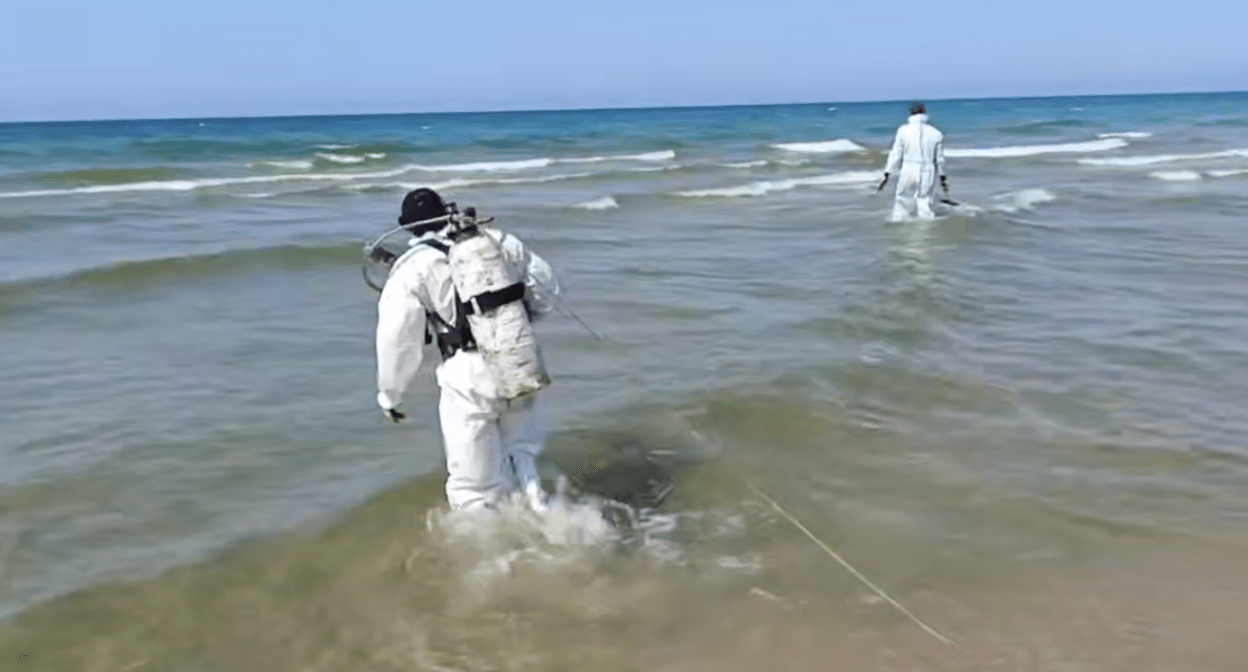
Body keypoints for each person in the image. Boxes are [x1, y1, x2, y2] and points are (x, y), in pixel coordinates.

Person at [374, 187, 560, 515]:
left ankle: (492, 558)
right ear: (448, 212)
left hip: (467, 376)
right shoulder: (498, 241)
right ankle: (547, 515)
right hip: (517, 354)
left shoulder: (411, 268)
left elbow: (398, 342)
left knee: (473, 488)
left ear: (406, 227)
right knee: (522, 453)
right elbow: (547, 286)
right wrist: (518, 326)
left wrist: (391, 395)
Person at [877, 102, 948, 221]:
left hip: (908, 169)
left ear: (911, 113)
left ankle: (900, 229)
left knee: (903, 201)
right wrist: (942, 177)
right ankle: (926, 232)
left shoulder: (903, 131)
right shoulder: (936, 133)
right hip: (927, 170)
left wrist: (887, 172)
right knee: (925, 201)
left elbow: (896, 154)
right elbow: (940, 160)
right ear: (924, 113)